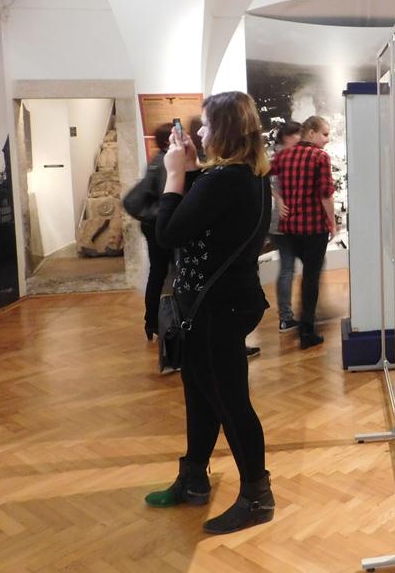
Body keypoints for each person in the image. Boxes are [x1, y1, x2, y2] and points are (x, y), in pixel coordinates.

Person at [146, 91, 274, 535]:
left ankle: (257, 497)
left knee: (230, 402)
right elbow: (213, 210)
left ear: (224, 130)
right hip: (225, 302)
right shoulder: (248, 175)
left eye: (205, 125)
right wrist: (193, 168)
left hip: (215, 308)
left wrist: (174, 175)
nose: (199, 132)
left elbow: (168, 233)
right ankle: (193, 477)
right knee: (201, 395)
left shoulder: (224, 181)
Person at [270, 115, 336, 347]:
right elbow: (326, 194)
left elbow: (265, 176)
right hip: (313, 227)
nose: (327, 139)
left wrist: (279, 199)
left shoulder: (283, 155)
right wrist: (332, 223)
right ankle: (307, 331)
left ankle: (296, 320)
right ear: (311, 133)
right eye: (325, 134)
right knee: (311, 277)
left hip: (290, 228)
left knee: (292, 271)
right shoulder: (320, 157)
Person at [124, 122, 172, 341]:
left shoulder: (157, 159)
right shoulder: (166, 161)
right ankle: (160, 321)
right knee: (164, 273)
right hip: (160, 224)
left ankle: (151, 322)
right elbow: (168, 197)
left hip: (152, 224)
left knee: (157, 272)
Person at [269, 121, 304, 332]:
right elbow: (272, 183)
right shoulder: (279, 157)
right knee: (288, 268)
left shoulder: (280, 155)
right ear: (288, 137)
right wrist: (280, 200)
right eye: (297, 134)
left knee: (288, 268)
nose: (300, 138)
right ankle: (286, 316)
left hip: (285, 221)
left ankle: (287, 316)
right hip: (283, 222)